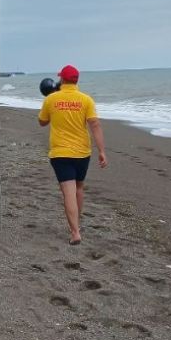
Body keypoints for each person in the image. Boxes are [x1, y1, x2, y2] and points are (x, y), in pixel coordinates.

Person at [38, 65, 107, 245]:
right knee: (79, 188)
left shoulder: (51, 98)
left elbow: (42, 122)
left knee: (68, 192)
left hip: (60, 152)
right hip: (82, 152)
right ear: (76, 80)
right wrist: (102, 151)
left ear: (62, 80)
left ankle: (75, 232)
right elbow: (95, 125)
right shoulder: (86, 100)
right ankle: (78, 223)